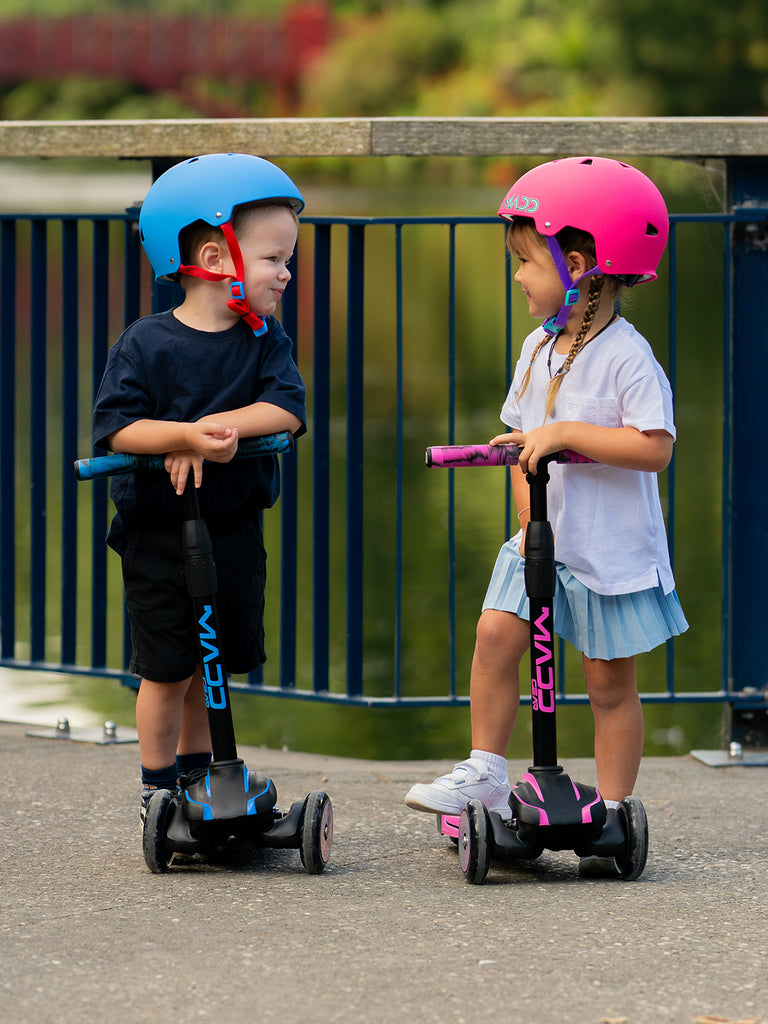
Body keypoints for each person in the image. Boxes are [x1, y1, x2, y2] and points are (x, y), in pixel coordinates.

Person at [405, 156, 688, 872]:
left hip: (610, 549)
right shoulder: (536, 350)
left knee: (607, 684)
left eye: (526, 262)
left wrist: (563, 436)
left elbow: (653, 448)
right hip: (538, 541)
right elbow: (526, 442)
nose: (517, 275)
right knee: (495, 635)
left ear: (580, 262)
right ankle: (487, 769)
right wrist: (529, 508)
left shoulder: (627, 357)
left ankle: (616, 814)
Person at [92, 153, 307, 827]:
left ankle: (202, 780)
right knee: (167, 668)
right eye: (274, 259)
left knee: (212, 662)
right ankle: (158, 792)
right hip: (158, 533)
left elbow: (288, 410)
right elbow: (119, 431)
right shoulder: (146, 344)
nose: (286, 273)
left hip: (230, 526)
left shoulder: (262, 340)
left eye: (286, 259)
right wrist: (177, 439)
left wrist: (210, 430)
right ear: (215, 258)